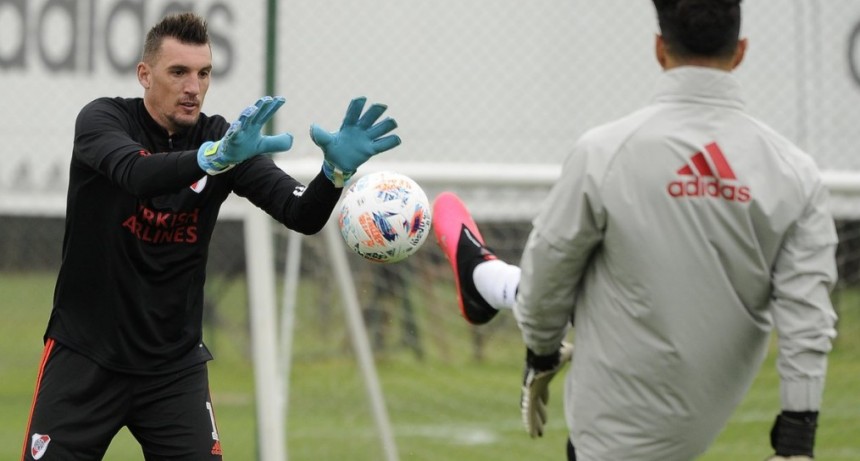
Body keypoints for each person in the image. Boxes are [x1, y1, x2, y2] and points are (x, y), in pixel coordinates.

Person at [432, 1, 837, 459]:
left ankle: (484, 278)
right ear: (741, 52)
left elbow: (550, 273)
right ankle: (484, 278)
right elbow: (808, 314)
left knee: (599, 274)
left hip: (609, 436)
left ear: (659, 49)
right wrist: (797, 437)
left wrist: (541, 352)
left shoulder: (604, 153)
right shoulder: (795, 173)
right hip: (694, 416)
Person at [21, 12, 400, 461]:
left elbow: (300, 213)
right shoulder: (103, 119)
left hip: (172, 370)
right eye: (178, 72)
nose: (193, 87)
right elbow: (136, 173)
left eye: (204, 74)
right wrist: (212, 158)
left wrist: (333, 173)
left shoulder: (224, 140)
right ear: (144, 74)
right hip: (85, 358)